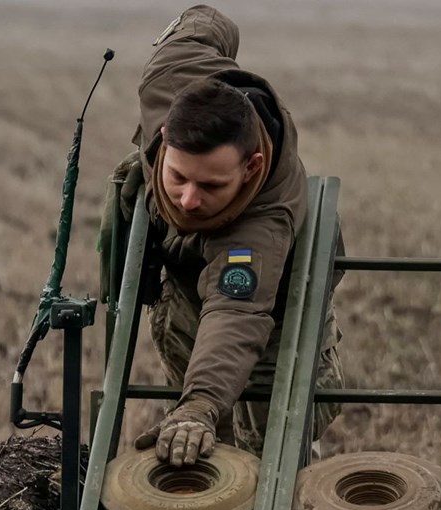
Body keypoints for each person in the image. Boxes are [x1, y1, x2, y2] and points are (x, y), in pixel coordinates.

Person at [106, 4, 344, 468]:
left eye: (211, 185)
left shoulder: (264, 219)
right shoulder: (170, 76)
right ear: (164, 137)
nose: (189, 199)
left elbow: (236, 311)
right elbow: (200, 27)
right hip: (186, 292)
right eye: (178, 176)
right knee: (202, 446)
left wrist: (199, 404)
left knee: (269, 457)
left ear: (251, 167)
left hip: (275, 307)